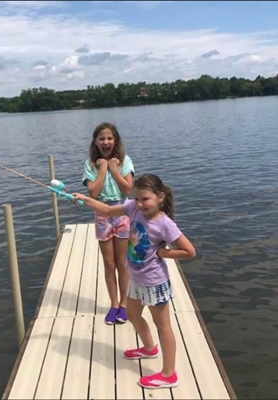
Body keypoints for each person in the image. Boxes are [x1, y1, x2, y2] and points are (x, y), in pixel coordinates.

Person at [72, 173, 196, 389]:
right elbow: (109, 210)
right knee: (131, 314)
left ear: (160, 197)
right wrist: (86, 199)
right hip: (137, 279)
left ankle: (169, 374)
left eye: (145, 199)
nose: (139, 204)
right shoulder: (132, 209)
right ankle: (149, 348)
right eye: (136, 198)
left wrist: (164, 254)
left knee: (162, 325)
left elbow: (189, 251)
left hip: (155, 282)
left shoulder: (165, 224)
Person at [83, 122, 134, 325]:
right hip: (102, 213)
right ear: (95, 142)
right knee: (109, 262)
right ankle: (113, 304)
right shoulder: (90, 164)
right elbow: (93, 193)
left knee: (122, 262)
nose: (106, 142)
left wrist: (114, 169)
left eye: (109, 138)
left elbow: (128, 190)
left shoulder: (125, 161)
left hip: (122, 211)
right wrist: (102, 170)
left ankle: (124, 304)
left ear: (116, 140)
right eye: (101, 138)